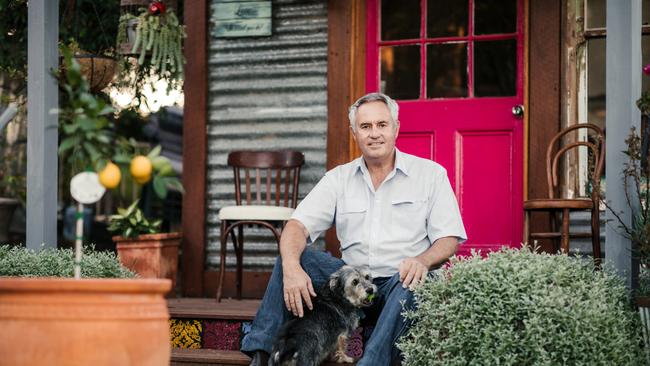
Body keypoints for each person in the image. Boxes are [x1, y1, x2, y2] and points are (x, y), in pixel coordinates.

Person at [241, 92, 467, 366]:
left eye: (382, 125)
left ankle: (371, 361)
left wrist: (422, 261)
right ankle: (262, 355)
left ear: (396, 128)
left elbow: (449, 239)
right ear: (354, 133)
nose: (374, 133)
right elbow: (297, 225)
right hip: (352, 288)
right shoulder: (338, 178)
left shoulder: (430, 175)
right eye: (365, 126)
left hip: (400, 286)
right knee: (294, 256)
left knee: (416, 281)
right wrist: (291, 268)